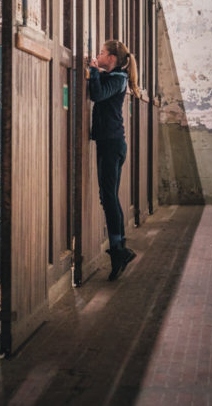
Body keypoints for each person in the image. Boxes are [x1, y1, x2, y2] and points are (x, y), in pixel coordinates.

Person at [87, 39, 141, 280]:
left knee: (109, 197)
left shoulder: (118, 79)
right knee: (108, 196)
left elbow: (97, 95)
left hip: (111, 145)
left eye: (101, 52)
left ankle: (119, 249)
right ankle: (119, 249)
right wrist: (97, 72)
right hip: (109, 143)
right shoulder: (115, 77)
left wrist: (92, 72)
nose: (98, 55)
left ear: (111, 58)